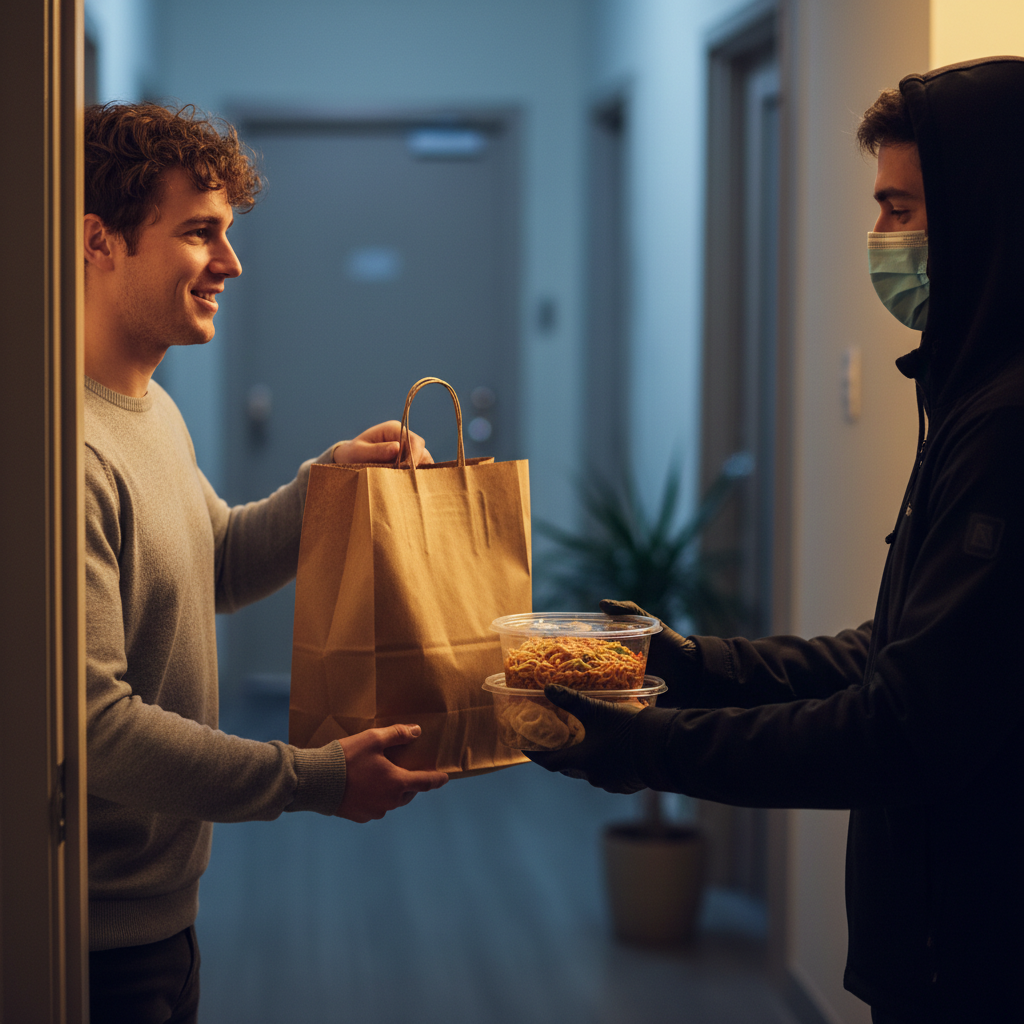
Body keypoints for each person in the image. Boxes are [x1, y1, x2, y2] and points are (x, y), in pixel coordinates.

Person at [530, 56, 1023, 1023]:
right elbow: (897, 655)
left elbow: (904, 728)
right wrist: (688, 662)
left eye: (901, 209)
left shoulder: (1008, 427)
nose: (879, 240)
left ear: (989, 213)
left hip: (975, 963)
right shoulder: (967, 398)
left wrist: (653, 747)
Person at [83, 101, 449, 1022]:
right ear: (99, 241)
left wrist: (330, 485)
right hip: (92, 941)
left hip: (164, 914)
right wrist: (313, 779)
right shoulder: (65, 453)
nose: (232, 265)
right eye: (200, 233)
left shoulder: (149, 408)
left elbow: (218, 564)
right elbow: (97, 731)